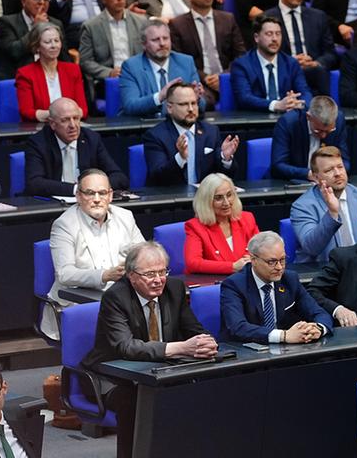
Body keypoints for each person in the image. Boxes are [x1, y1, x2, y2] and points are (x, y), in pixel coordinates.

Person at [81, 242, 217, 458]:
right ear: (131, 275)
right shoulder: (116, 297)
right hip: (114, 377)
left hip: (162, 371)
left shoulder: (174, 288)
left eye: (162, 271)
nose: (158, 279)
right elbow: (125, 346)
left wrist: (205, 342)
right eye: (150, 274)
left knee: (203, 391)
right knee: (137, 402)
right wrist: (180, 347)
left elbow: (194, 329)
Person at [45, 169, 144, 337]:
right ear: (78, 196)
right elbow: (65, 274)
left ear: (111, 195)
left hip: (121, 301)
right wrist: (104, 275)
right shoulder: (64, 225)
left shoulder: (125, 217)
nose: (97, 199)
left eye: (102, 193)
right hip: (78, 304)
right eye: (90, 193)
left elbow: (143, 254)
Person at [220, 230, 334, 342]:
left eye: (282, 260)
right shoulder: (234, 285)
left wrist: (318, 328)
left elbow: (318, 312)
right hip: (245, 351)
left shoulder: (289, 279)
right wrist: (283, 335)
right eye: (271, 262)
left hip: (284, 351)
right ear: (253, 260)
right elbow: (238, 327)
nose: (279, 267)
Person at [169, 0, 248, 104]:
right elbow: (179, 61)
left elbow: (240, 55)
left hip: (228, 77)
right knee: (203, 100)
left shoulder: (228, 19)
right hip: (199, 82)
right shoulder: (178, 25)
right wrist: (206, 78)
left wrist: (223, 77)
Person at [141, 82, 239, 186]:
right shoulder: (155, 135)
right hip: (172, 198)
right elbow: (157, 177)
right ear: (169, 108)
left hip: (204, 198)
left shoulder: (211, 132)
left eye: (194, 103)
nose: (191, 109)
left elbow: (226, 176)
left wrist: (225, 158)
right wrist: (180, 158)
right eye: (183, 104)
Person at [24, 98, 127, 197]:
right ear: (52, 124)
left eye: (76, 118)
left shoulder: (91, 139)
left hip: (89, 201)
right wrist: (78, 190)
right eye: (65, 120)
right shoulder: (38, 143)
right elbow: (34, 183)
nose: (73, 125)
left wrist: (94, 188)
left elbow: (119, 177)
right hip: (54, 204)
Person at [262, 0, 338, 95]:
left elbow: (330, 53)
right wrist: (291, 62)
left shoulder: (318, 16)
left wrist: (316, 63)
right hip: (283, 76)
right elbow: (262, 55)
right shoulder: (266, 18)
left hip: (314, 74)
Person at [118, 21, 204, 118]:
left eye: (165, 38)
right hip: (147, 127)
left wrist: (196, 99)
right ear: (144, 45)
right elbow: (130, 106)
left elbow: (202, 106)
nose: (162, 43)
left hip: (179, 125)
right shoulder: (131, 67)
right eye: (155, 40)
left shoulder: (186, 62)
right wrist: (160, 97)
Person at [228, 15, 311, 113]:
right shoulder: (242, 65)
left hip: (287, 119)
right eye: (269, 34)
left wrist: (298, 103)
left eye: (278, 34)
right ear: (256, 38)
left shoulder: (291, 63)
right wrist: (276, 105)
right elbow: (244, 98)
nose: (275, 39)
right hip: (255, 121)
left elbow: (305, 93)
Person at [78, 0, 148, 89]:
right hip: (109, 82)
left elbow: (149, 54)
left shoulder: (141, 21)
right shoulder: (91, 26)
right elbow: (85, 62)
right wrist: (109, 73)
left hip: (138, 78)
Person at [183, 173, 260, 274]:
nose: (226, 203)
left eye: (229, 195)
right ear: (206, 201)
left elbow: (261, 250)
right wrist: (232, 267)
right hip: (214, 284)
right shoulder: (195, 227)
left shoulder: (247, 218)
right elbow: (193, 263)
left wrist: (254, 259)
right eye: (218, 198)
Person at [15, 22, 88, 122]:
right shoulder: (25, 74)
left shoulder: (73, 70)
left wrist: (64, 118)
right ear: (37, 46)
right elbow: (27, 112)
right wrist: (60, 115)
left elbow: (83, 110)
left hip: (70, 127)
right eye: (48, 42)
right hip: (42, 129)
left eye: (56, 41)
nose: (54, 46)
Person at [0, 0, 65, 80]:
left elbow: (64, 58)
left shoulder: (56, 24)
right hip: (21, 78)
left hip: (51, 77)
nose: (42, 2)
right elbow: (14, 52)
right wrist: (35, 28)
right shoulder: (6, 22)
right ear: (23, 1)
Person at [270, 95, 350, 180]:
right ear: (308, 117)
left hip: (328, 180)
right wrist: (310, 174)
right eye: (318, 130)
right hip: (294, 180)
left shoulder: (339, 120)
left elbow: (345, 161)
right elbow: (278, 165)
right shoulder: (288, 123)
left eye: (328, 131)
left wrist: (335, 172)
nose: (323, 135)